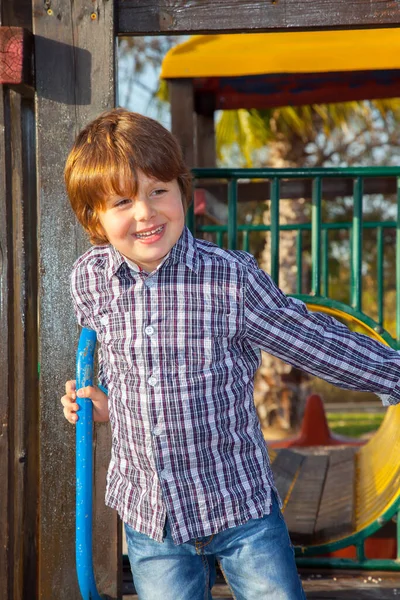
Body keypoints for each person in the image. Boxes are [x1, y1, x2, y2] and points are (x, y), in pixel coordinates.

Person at [61, 108, 400, 600]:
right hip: (153, 516)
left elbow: (311, 339)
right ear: (95, 217)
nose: (145, 213)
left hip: (239, 506)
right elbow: (118, 363)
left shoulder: (229, 279)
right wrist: (101, 400)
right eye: (122, 201)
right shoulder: (89, 280)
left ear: (182, 190)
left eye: (158, 191)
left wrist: (393, 372)